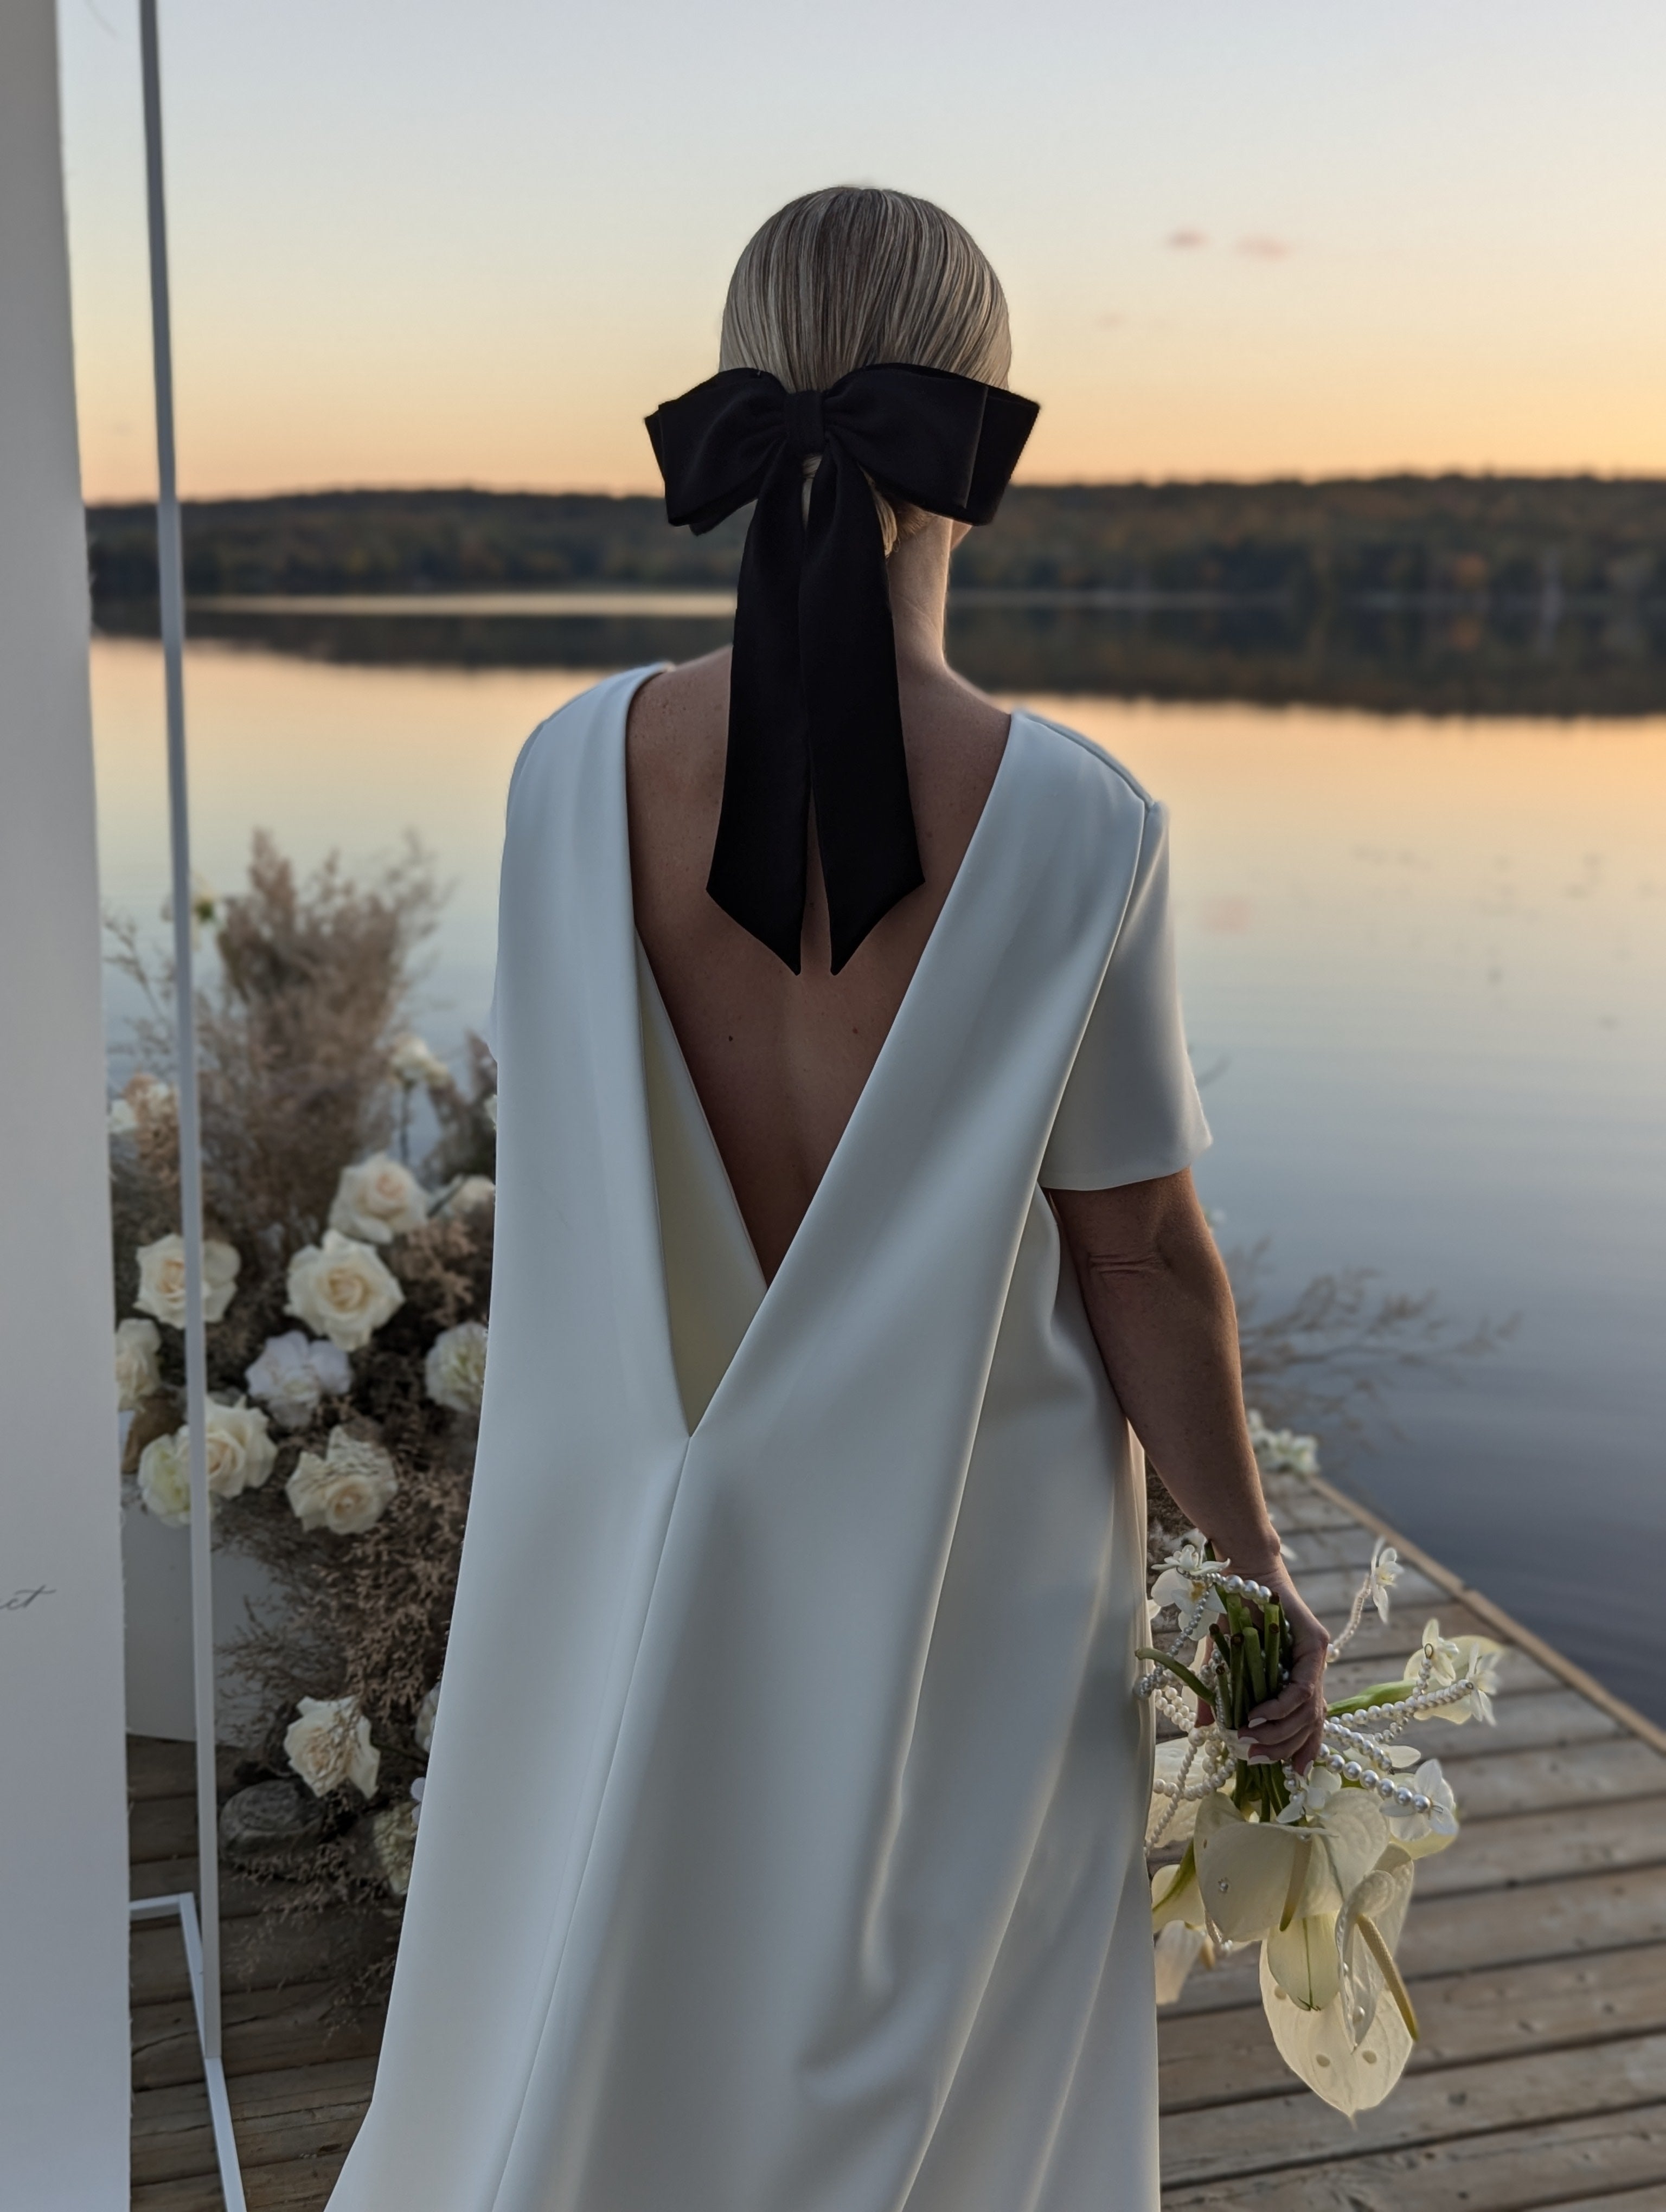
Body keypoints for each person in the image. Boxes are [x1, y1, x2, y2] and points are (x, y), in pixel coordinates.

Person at [329, 185, 1327, 2212]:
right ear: (973, 449)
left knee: (588, 2021)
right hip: (959, 1593)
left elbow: (576, 1153)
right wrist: (1255, 1581)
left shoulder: (558, 774)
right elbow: (1135, 1251)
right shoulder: (1075, 825)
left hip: (617, 1552)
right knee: (962, 2100)